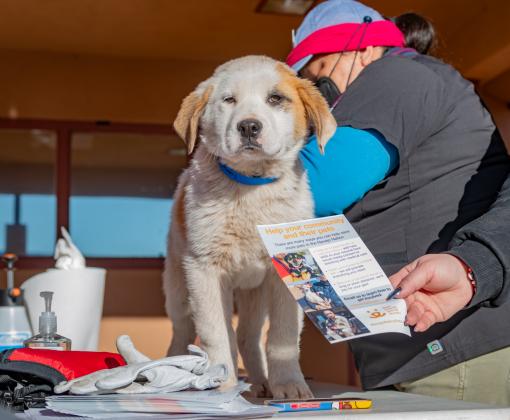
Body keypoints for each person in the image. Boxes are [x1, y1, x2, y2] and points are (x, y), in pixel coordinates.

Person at [288, 0, 510, 405]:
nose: (315, 95)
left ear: (361, 47)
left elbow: (316, 187)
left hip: (453, 352)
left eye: (316, 74)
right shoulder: (409, 80)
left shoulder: (396, 75)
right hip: (424, 351)